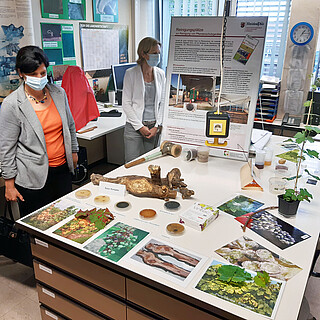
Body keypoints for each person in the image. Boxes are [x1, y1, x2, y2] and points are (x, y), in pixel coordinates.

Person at [0, 46, 79, 217]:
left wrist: (74, 150)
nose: (39, 78)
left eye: (42, 73)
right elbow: (6, 148)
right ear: (21, 73)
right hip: (32, 177)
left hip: (63, 171)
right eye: (33, 75)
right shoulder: (12, 104)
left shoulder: (59, 93)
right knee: (40, 226)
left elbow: (70, 126)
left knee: (66, 220)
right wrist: (9, 185)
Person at [122, 37, 166, 163]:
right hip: (134, 126)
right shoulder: (131, 73)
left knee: (150, 163)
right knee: (132, 163)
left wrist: (157, 126)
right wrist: (140, 127)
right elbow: (126, 104)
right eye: (154, 54)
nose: (157, 57)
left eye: (158, 53)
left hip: (153, 127)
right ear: (143, 54)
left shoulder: (160, 74)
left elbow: (162, 102)